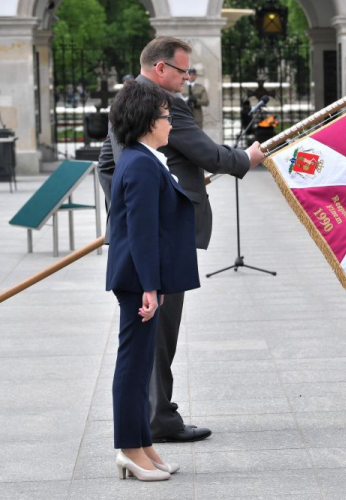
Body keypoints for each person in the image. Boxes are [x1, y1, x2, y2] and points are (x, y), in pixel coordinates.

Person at [98, 36, 266, 444]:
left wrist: (125, 210)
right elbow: (206, 154)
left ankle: (153, 418)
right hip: (165, 234)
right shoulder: (161, 102)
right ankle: (158, 419)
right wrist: (247, 159)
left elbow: (106, 165)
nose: (186, 78)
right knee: (159, 329)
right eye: (182, 70)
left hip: (145, 231)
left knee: (148, 334)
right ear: (160, 69)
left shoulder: (126, 98)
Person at [106, 81, 200, 481]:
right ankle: (129, 448)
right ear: (148, 121)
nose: (170, 124)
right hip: (137, 279)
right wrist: (149, 286)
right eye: (165, 117)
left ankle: (143, 444)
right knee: (133, 365)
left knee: (142, 364)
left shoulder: (144, 157)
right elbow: (142, 230)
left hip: (144, 277)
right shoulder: (142, 163)